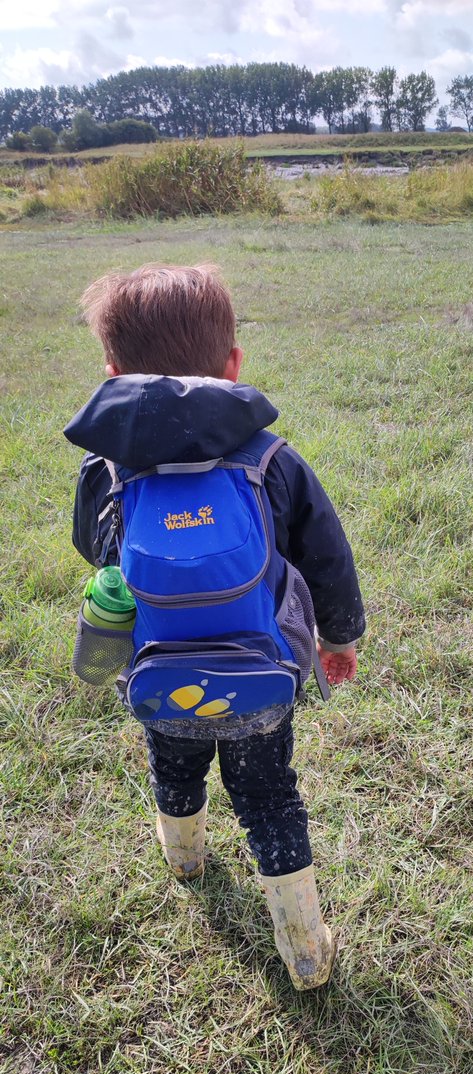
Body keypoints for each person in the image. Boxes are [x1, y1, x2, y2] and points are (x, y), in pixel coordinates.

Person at [64, 263, 365, 990]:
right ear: (233, 366)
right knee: (268, 797)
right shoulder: (273, 459)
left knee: (173, 765)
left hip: (159, 677)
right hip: (261, 676)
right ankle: (303, 947)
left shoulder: (106, 470)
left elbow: (92, 549)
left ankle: (186, 859)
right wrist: (339, 637)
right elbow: (326, 557)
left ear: (113, 371)